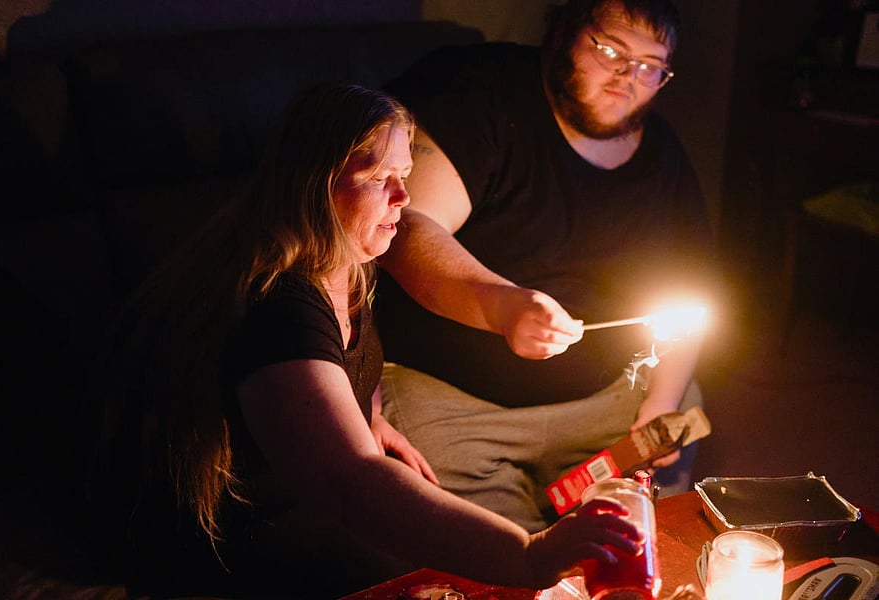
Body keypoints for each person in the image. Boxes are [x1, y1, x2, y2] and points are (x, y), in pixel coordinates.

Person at [86, 82, 648, 600]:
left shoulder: (347, 261)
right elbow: (352, 482)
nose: (404, 197)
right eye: (380, 178)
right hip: (233, 541)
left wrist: (371, 420)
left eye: (404, 173)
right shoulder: (281, 304)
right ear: (316, 182)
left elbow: (346, 379)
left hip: (295, 504)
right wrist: (529, 555)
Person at [375, 0, 718, 534]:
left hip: (609, 401)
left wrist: (661, 402)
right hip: (454, 407)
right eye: (610, 51)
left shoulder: (661, 154)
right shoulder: (479, 93)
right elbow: (407, 229)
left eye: (651, 66)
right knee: (503, 560)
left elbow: (694, 283)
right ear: (564, 33)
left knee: (645, 534)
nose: (627, 78)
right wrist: (504, 306)